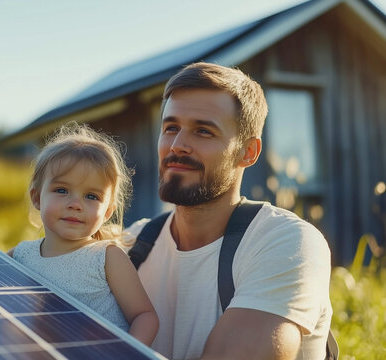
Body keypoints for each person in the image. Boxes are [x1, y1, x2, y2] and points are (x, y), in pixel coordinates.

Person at [125, 63, 332, 359]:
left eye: (203, 131)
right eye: (171, 128)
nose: (178, 145)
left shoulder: (285, 242)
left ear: (248, 152)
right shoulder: (132, 245)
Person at [7, 123, 158, 346]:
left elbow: (144, 317)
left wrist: (128, 353)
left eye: (91, 196)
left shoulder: (107, 258)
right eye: (62, 190)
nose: (75, 204)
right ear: (37, 197)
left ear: (107, 212)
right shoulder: (19, 255)